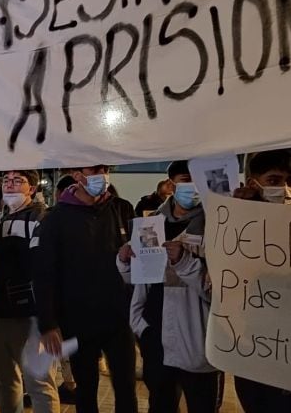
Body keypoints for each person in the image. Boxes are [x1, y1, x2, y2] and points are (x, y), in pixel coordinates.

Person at [118, 161, 222, 413]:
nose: (193, 187)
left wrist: (185, 262)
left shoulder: (219, 225)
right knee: (160, 404)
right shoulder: (151, 223)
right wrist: (124, 261)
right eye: (186, 179)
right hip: (156, 334)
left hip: (199, 338)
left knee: (202, 405)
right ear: (171, 184)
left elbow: (219, 292)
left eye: (199, 180)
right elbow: (141, 279)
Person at [32, 165, 137, 413]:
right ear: (78, 175)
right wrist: (48, 324)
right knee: (86, 391)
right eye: (95, 170)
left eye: (105, 169)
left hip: (119, 317)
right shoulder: (55, 218)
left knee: (126, 388)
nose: (103, 175)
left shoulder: (122, 209)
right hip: (77, 319)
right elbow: (44, 273)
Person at [229, 150, 291, 412]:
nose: (286, 189)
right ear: (253, 182)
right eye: (275, 180)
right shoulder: (235, 223)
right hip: (251, 345)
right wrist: (239, 214)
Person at [0, 170, 59, 413]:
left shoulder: (42, 218)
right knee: (4, 380)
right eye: (6, 180)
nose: (10, 185)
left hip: (30, 313)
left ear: (32, 188)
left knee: (38, 383)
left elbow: (42, 262)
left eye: (19, 181)